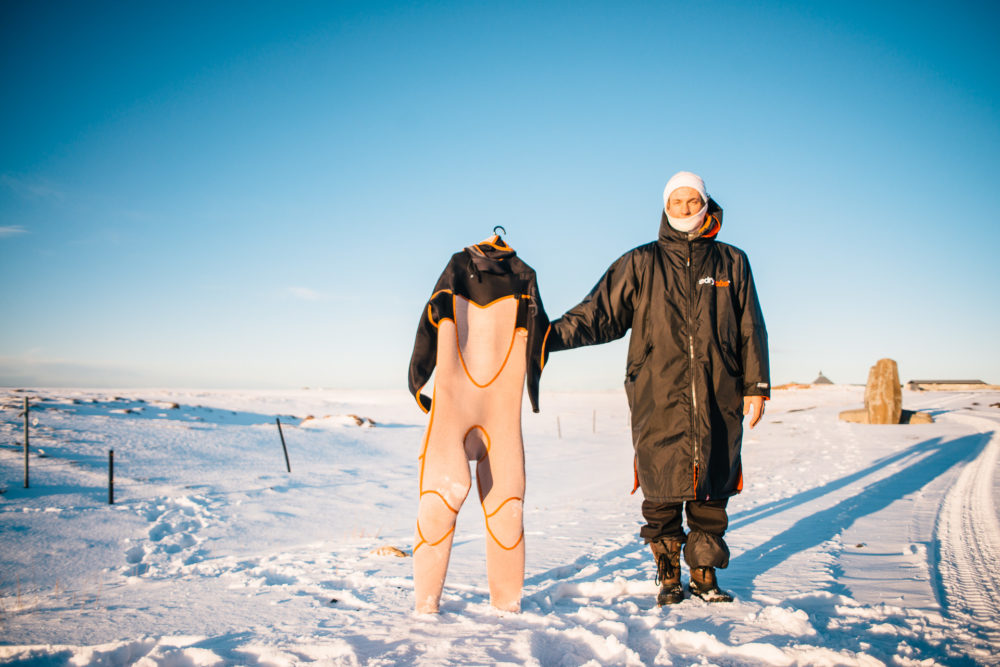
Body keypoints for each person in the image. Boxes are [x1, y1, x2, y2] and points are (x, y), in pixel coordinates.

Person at [545, 171, 769, 605]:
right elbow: (598, 314)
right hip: (657, 391)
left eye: (692, 201)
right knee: (661, 489)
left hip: (718, 390)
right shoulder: (642, 262)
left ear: (706, 203)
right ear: (665, 206)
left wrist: (756, 385)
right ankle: (667, 570)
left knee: (712, 485)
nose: (684, 209)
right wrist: (544, 338)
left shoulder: (731, 262)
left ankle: (704, 572)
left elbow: (750, 326)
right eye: (676, 202)